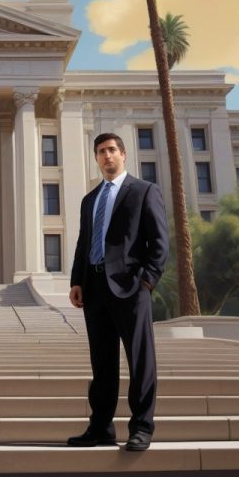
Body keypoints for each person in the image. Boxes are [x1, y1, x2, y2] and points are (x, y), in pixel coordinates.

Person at [67, 133, 169, 452]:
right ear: (96, 158)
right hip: (95, 288)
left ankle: (141, 427)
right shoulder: (90, 199)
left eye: (112, 150)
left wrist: (147, 282)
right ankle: (101, 427)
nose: (107, 156)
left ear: (123, 154)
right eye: (101, 151)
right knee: (102, 362)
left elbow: (160, 243)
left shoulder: (144, 191)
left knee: (140, 360)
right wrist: (77, 281)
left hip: (130, 287)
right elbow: (84, 244)